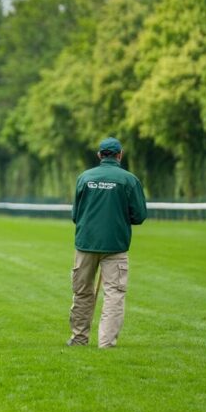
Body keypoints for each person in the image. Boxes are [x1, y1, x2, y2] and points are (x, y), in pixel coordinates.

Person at [67, 137, 147, 348]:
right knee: (114, 294)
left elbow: (76, 215)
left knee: (82, 292)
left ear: (99, 155)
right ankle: (106, 343)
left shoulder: (84, 178)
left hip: (85, 243)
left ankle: (79, 338)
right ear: (120, 155)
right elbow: (139, 215)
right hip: (115, 245)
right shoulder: (129, 180)